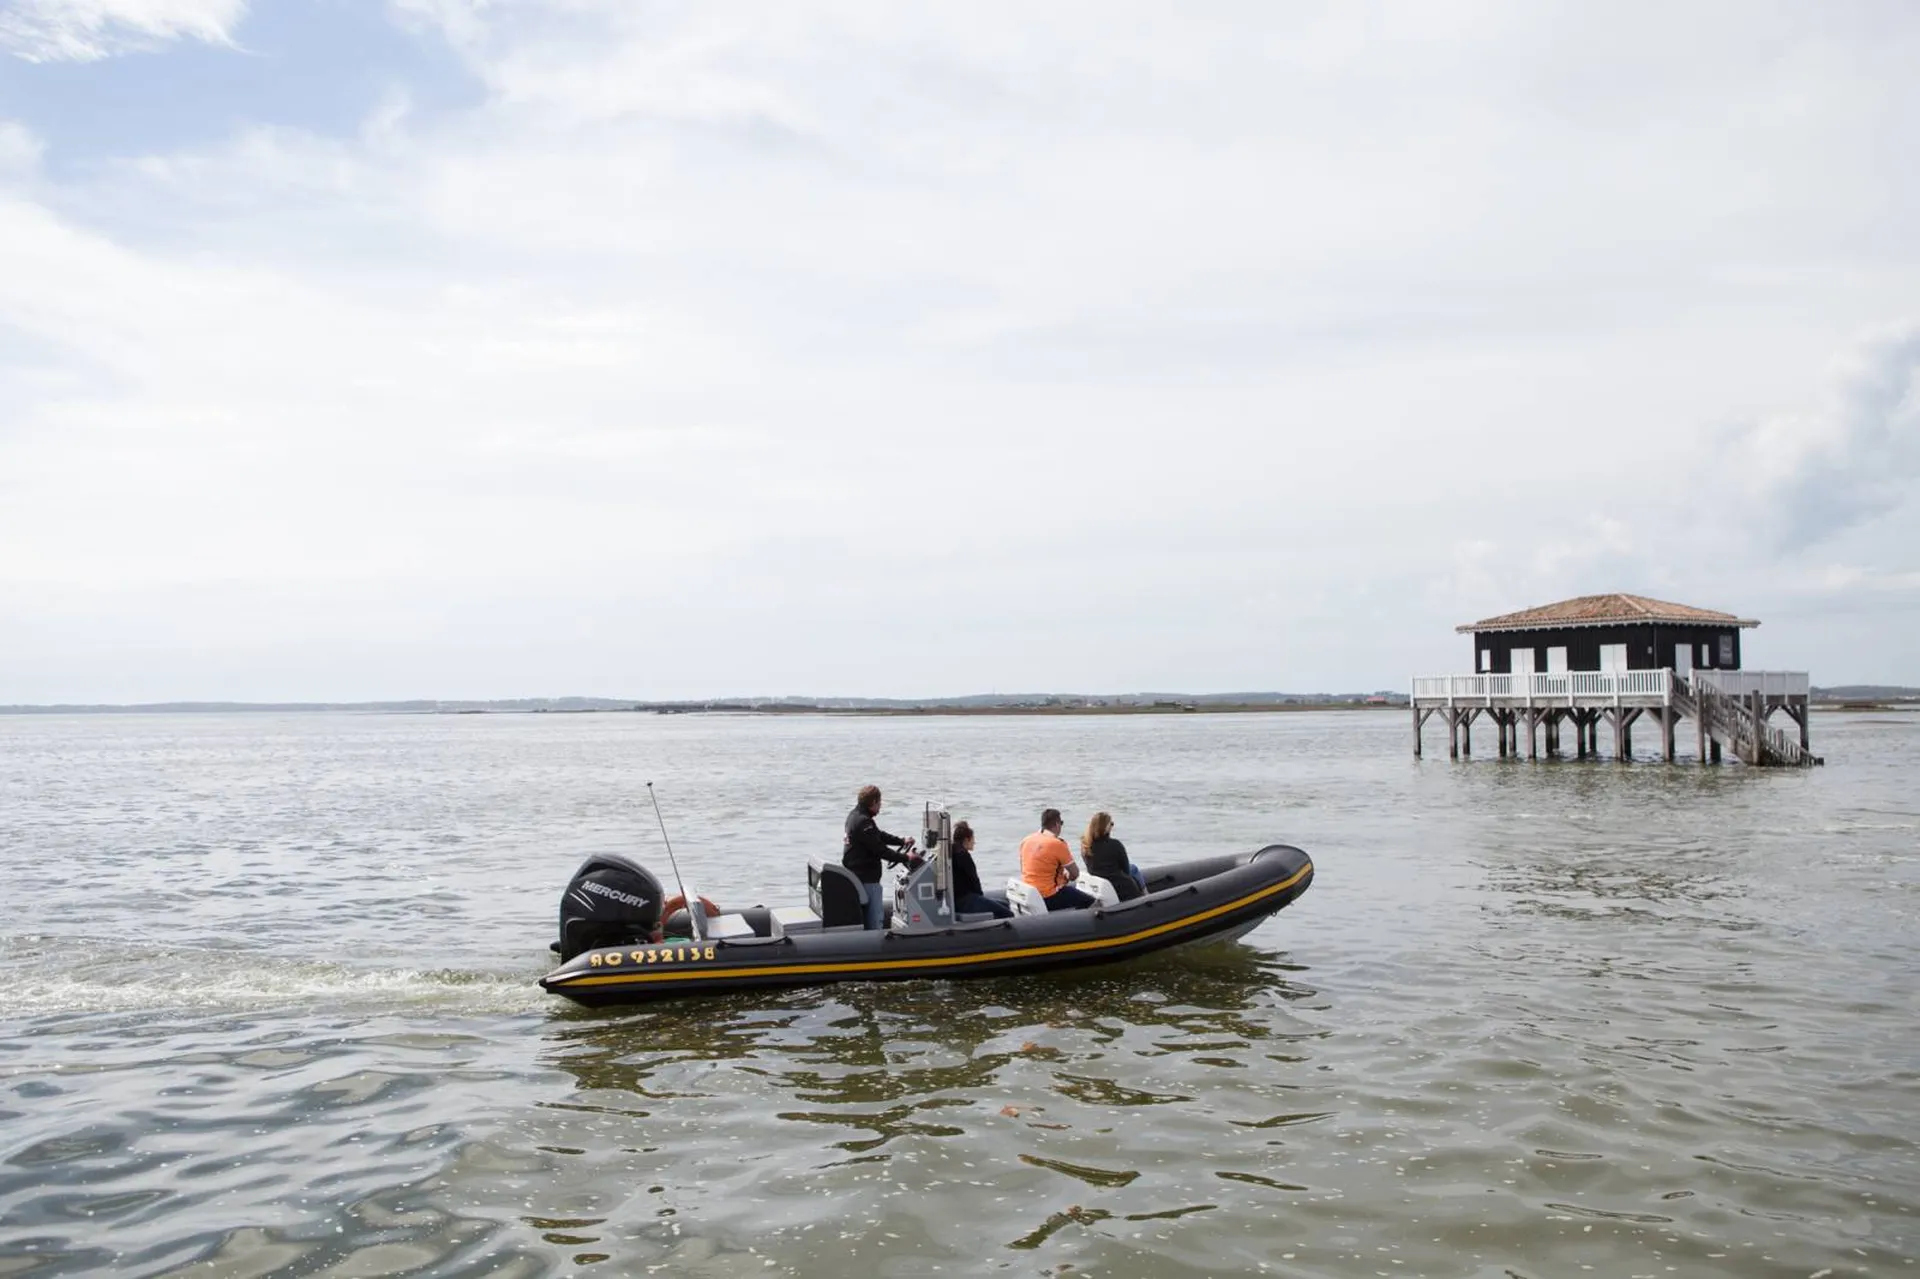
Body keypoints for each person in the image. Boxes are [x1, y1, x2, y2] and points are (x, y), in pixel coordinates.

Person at [843, 784, 917, 930]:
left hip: (858, 876)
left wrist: (901, 841)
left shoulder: (855, 816)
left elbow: (878, 835)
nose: (880, 807)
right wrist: (906, 857)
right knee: (875, 921)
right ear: (873, 803)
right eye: (879, 803)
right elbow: (881, 851)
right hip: (867, 879)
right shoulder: (864, 822)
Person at [1020, 808, 1094, 911]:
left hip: (1029, 892)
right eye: (1061, 823)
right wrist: (1066, 877)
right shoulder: (1057, 843)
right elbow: (1075, 874)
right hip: (1048, 895)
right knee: (1089, 901)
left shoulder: (1026, 840)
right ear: (1057, 824)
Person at [950, 821, 1013, 919]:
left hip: (956, 899)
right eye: (973, 839)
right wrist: (981, 898)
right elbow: (973, 880)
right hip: (965, 900)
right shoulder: (963, 855)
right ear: (967, 839)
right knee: (1008, 913)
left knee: (1004, 904)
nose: (974, 842)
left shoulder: (951, 851)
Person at [1082, 811, 1144, 902]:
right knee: (1133, 869)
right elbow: (1125, 869)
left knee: (1133, 868)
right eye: (1111, 824)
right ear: (1106, 827)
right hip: (1120, 886)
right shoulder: (1115, 845)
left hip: (1099, 883)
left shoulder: (1085, 845)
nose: (1112, 826)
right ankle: (1146, 896)